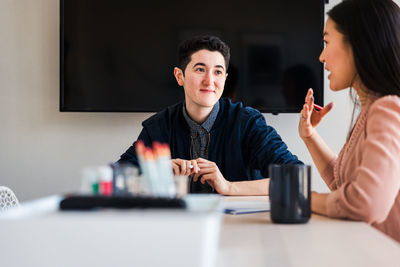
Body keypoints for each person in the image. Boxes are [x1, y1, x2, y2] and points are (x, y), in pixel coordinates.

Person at [119, 35, 302, 195]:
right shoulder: (158, 127)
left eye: (218, 72)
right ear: (179, 76)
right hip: (178, 226)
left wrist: (228, 187)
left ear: (225, 78)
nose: (210, 81)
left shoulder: (248, 123)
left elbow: (296, 177)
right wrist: (158, 173)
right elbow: (118, 177)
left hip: (240, 228)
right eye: (200, 69)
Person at [298, 0, 400, 242]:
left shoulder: (388, 109)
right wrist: (309, 136)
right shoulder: (373, 110)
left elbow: (364, 203)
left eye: (327, 42)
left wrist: (302, 196)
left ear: (358, 44)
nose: (321, 56)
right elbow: (343, 184)